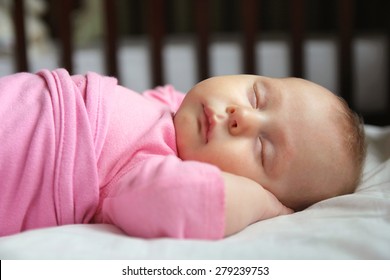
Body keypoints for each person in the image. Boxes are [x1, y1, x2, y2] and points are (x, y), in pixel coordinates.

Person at [0, 69, 366, 239]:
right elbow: (179, 98)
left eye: (262, 149)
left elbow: (181, 199)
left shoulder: (156, 170)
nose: (242, 117)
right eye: (256, 96)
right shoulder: (166, 112)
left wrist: (264, 204)